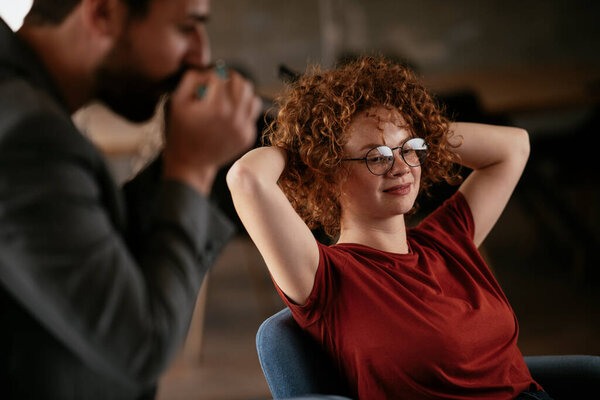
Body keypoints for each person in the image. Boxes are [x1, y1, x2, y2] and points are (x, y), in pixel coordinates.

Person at [227, 56, 554, 399]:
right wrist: (307, 150)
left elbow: (515, 146)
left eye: (409, 150)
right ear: (330, 170)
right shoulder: (326, 279)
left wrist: (419, 133)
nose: (401, 168)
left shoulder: (449, 238)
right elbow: (246, 178)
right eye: (377, 156)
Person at [0, 0, 261, 399]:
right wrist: (191, 168)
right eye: (185, 27)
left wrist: (188, 155)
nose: (201, 55)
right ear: (102, 14)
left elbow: (83, 240)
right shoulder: (26, 132)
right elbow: (142, 345)